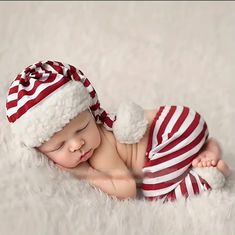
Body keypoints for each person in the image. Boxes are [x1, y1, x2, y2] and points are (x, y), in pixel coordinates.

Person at [6, 60, 231, 202]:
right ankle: (206, 147)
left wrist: (86, 173)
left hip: (172, 132)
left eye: (83, 128)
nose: (77, 144)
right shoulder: (89, 134)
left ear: (92, 114)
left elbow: (127, 189)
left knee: (155, 193)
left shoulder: (101, 149)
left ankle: (207, 178)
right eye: (59, 146)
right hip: (185, 121)